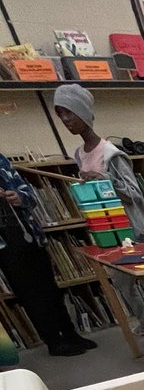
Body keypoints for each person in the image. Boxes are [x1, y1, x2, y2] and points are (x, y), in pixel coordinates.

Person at [53, 84, 144, 327]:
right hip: (105, 228)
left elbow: (135, 195)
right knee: (121, 282)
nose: (65, 119)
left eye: (69, 112)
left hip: (132, 229)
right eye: (60, 113)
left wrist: (105, 181)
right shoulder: (79, 154)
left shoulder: (112, 154)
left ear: (84, 113)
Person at [0, 152, 95, 356]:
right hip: (5, 244)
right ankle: (54, 341)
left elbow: (29, 195)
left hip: (29, 233)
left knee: (51, 288)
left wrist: (19, 197)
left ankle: (70, 334)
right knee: (30, 294)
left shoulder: (1, 160)